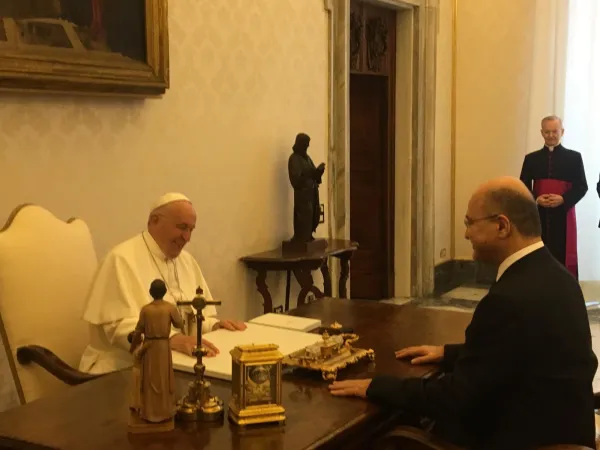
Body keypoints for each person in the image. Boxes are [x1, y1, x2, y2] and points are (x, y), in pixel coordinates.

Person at [329, 176, 598, 449]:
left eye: (470, 223)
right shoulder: (559, 277)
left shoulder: (508, 299)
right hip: (566, 433)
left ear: (502, 226)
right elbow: (522, 350)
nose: (466, 234)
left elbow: (457, 397)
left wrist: (377, 386)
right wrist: (449, 353)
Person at [79, 192, 246, 374]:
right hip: (120, 370)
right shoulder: (121, 259)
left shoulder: (186, 261)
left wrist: (212, 326)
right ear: (154, 221)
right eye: (182, 227)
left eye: (191, 230)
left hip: (174, 366)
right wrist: (173, 339)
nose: (187, 237)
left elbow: (190, 317)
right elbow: (118, 328)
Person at [520, 115, 588, 279]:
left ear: (562, 131)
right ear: (542, 133)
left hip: (563, 216)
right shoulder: (531, 159)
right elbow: (523, 186)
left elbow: (582, 186)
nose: (551, 135)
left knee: (561, 254)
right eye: (547, 132)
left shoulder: (574, 158)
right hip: (538, 215)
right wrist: (536, 199)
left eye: (554, 131)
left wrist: (563, 199)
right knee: (538, 253)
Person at [288, 133, 325, 242]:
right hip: (303, 196)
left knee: (313, 214)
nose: (307, 147)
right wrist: (310, 174)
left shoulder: (307, 158)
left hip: (312, 194)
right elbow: (296, 179)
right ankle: (301, 237)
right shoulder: (294, 159)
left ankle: (308, 235)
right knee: (304, 216)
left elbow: (313, 172)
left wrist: (319, 172)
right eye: (305, 145)